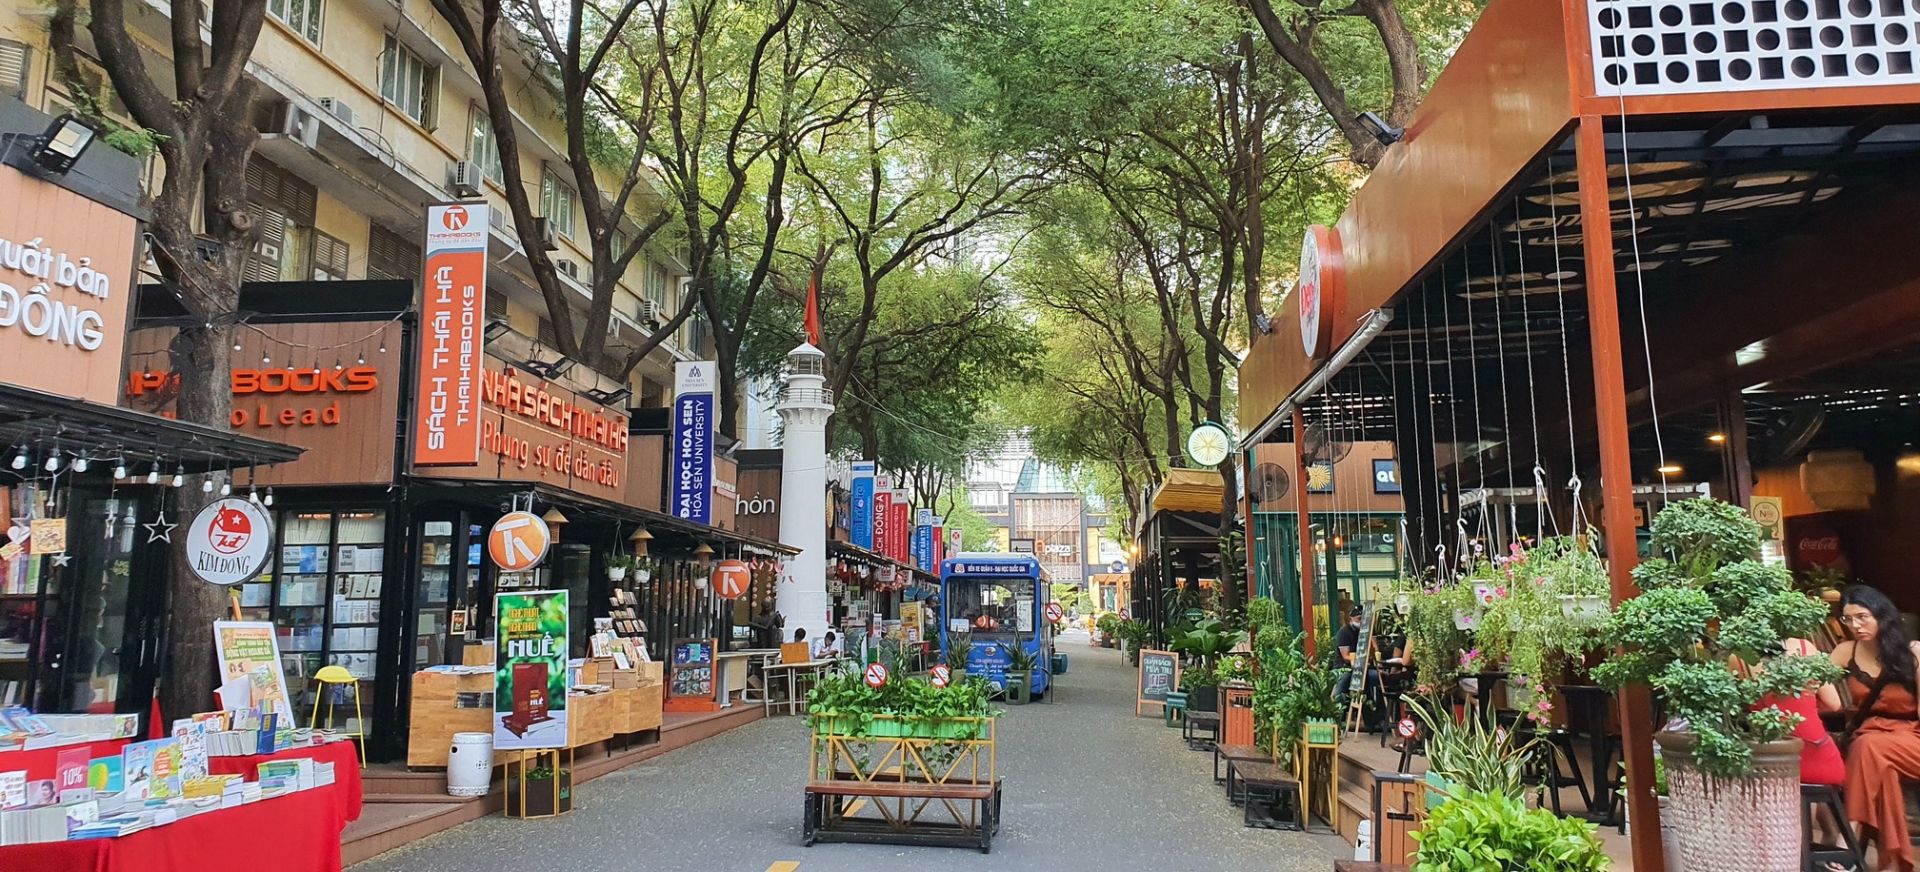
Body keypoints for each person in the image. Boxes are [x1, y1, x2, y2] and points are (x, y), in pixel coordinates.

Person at [1832, 585, 1920, 872]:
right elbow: (1817, 683)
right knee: (1881, 767)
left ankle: (1847, 842)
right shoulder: (1845, 651)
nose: (1855, 626)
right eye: (1848, 619)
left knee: (1869, 748)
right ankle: (1894, 863)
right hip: (1870, 737)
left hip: (1912, 737)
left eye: (1862, 617)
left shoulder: (1913, 653)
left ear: (1881, 615)